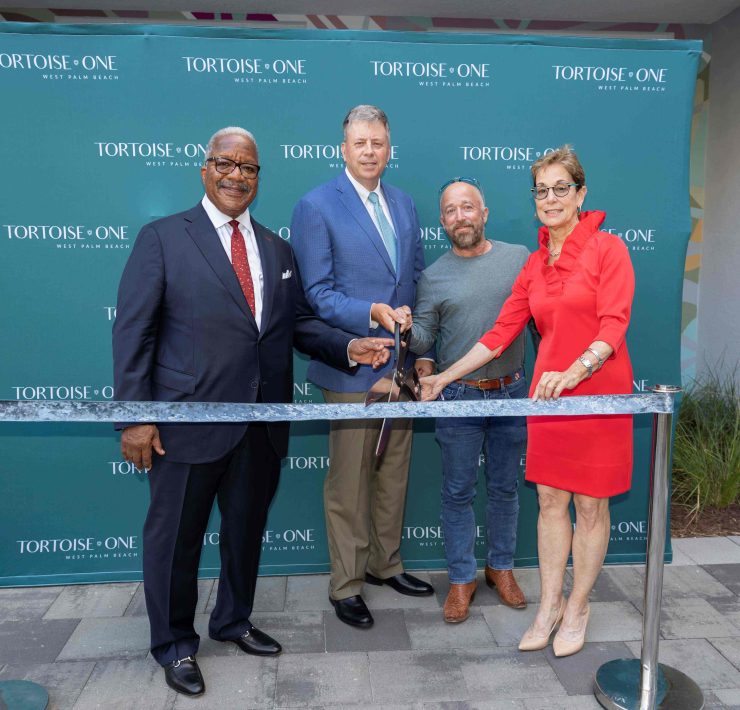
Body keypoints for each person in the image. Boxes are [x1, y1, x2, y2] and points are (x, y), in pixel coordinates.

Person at [112, 126, 395, 697]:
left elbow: (298, 326)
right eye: (226, 164)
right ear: (205, 168)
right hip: (185, 423)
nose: (237, 175)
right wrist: (135, 416)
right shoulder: (163, 238)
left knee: (245, 531)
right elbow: (133, 333)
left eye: (249, 168)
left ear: (259, 178)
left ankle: (233, 619)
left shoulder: (275, 247)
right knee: (176, 540)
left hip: (262, 423)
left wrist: (348, 346)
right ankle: (173, 645)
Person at [421, 145, 634, 657]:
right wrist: (443, 376)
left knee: (590, 505)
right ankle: (549, 606)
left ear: (581, 194)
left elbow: (614, 324)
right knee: (550, 502)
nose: (551, 198)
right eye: (542, 190)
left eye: (562, 188)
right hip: (548, 398)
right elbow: (500, 333)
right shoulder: (535, 264)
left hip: (597, 392)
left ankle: (578, 608)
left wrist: (576, 370)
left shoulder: (609, 249)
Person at [290, 105, 433, 629]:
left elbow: (415, 280)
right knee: (350, 480)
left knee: (394, 471)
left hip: (401, 368)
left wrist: (417, 350)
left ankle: (384, 563)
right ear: (343, 149)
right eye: (360, 143)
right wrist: (368, 314)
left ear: (389, 148)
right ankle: (346, 584)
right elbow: (316, 294)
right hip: (353, 365)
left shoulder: (404, 203)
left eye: (378, 143)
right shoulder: (315, 206)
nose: (370, 151)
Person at [409, 177, 529, 623]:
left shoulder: (519, 259)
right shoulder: (433, 276)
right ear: (442, 222)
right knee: (457, 492)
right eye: (451, 211)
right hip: (457, 397)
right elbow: (424, 338)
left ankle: (501, 568)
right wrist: (406, 332)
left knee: (504, 488)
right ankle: (462, 578)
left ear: (484, 213)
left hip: (512, 393)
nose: (460, 217)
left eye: (468, 207)